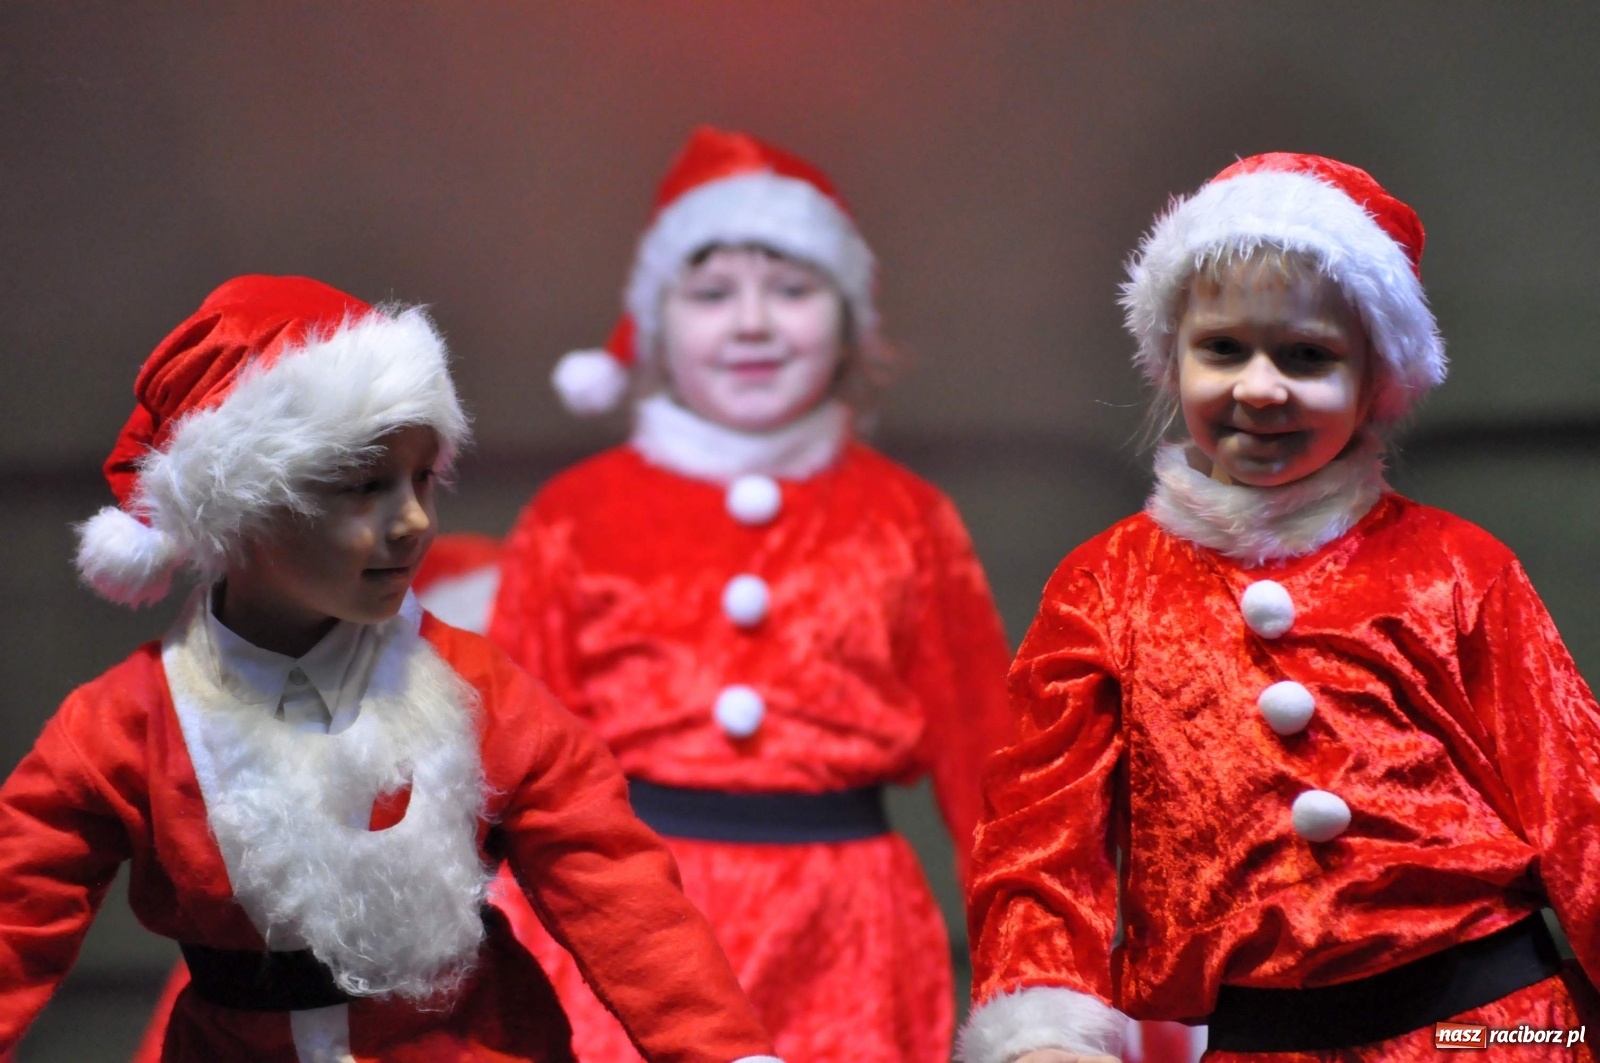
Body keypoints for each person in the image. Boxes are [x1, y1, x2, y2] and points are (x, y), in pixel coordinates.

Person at [0, 274, 781, 1063]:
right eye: (364, 486)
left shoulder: (480, 690)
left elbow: (617, 890)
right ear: (240, 506)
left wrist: (722, 1051)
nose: (412, 520)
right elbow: (17, 910)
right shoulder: (128, 725)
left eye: (420, 479)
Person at [959, 153, 1600, 1063]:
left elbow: (1581, 807)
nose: (1261, 388)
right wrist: (1041, 1034)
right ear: (1171, 356)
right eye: (1225, 349)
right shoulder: (1105, 586)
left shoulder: (1457, 566)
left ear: (1375, 378)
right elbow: (1039, 840)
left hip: (1498, 1026)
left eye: (1307, 356)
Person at [488, 126, 1016, 1063]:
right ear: (655, 325)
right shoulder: (574, 515)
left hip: (850, 939)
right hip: (625, 933)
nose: (753, 324)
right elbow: (505, 762)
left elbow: (993, 770)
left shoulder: (908, 519)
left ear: (850, 320)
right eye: (712, 293)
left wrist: (1038, 982)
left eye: (793, 288)